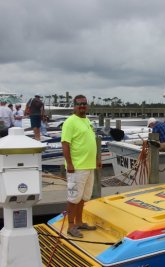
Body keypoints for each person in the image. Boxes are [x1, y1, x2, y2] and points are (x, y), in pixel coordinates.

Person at [61, 95, 101, 238]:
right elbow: (65, 144)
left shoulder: (87, 120)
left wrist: (96, 159)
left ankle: (79, 222)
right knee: (73, 198)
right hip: (77, 167)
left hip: (89, 166)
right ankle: (71, 226)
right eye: (79, 104)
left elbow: (89, 142)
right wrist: (70, 163)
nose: (82, 106)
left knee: (84, 197)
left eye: (84, 104)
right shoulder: (70, 122)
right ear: (74, 106)